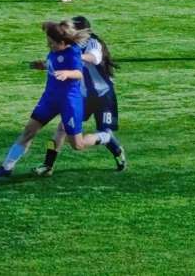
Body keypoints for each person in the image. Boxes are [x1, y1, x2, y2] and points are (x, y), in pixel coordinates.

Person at [0, 20, 100, 179]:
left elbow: (78, 73)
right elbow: (54, 63)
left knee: (77, 145)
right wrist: (44, 65)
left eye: (52, 43)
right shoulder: (55, 50)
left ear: (62, 42)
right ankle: (7, 167)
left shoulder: (73, 52)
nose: (49, 46)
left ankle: (103, 137)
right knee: (29, 131)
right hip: (50, 99)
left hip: (69, 102)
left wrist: (67, 74)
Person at [34, 16, 126, 177]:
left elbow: (95, 57)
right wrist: (46, 65)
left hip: (103, 96)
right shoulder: (69, 46)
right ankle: (47, 165)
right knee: (62, 127)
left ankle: (114, 146)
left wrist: (78, 57)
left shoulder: (93, 42)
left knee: (103, 132)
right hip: (82, 96)